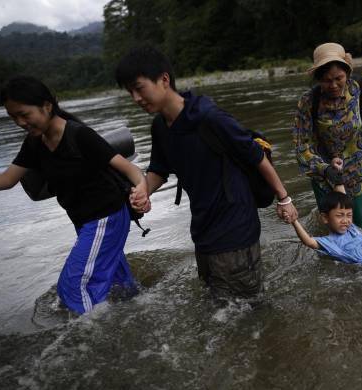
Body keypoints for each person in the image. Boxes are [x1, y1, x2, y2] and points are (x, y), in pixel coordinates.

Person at [116, 46, 297, 301]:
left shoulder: (209, 117)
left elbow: (256, 157)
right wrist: (143, 190)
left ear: (164, 79)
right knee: (218, 306)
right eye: (130, 92)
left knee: (248, 308)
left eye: (139, 88)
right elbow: (159, 170)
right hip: (203, 229)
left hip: (236, 225)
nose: (136, 98)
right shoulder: (160, 127)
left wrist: (284, 198)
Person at [0, 76, 147, 314]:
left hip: (106, 218)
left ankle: (100, 345)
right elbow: (6, 179)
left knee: (73, 287)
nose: (20, 122)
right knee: (120, 287)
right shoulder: (35, 143)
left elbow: (130, 169)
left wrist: (141, 190)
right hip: (85, 222)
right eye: (13, 117)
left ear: (47, 106)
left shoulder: (80, 135)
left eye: (24, 114)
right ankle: (140, 316)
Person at [292, 42, 362, 229]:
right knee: (335, 227)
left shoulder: (359, 87)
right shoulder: (309, 101)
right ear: (318, 79)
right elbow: (302, 146)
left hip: (357, 170)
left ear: (347, 74)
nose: (333, 85)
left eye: (338, 78)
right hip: (324, 174)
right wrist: (326, 169)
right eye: (326, 80)